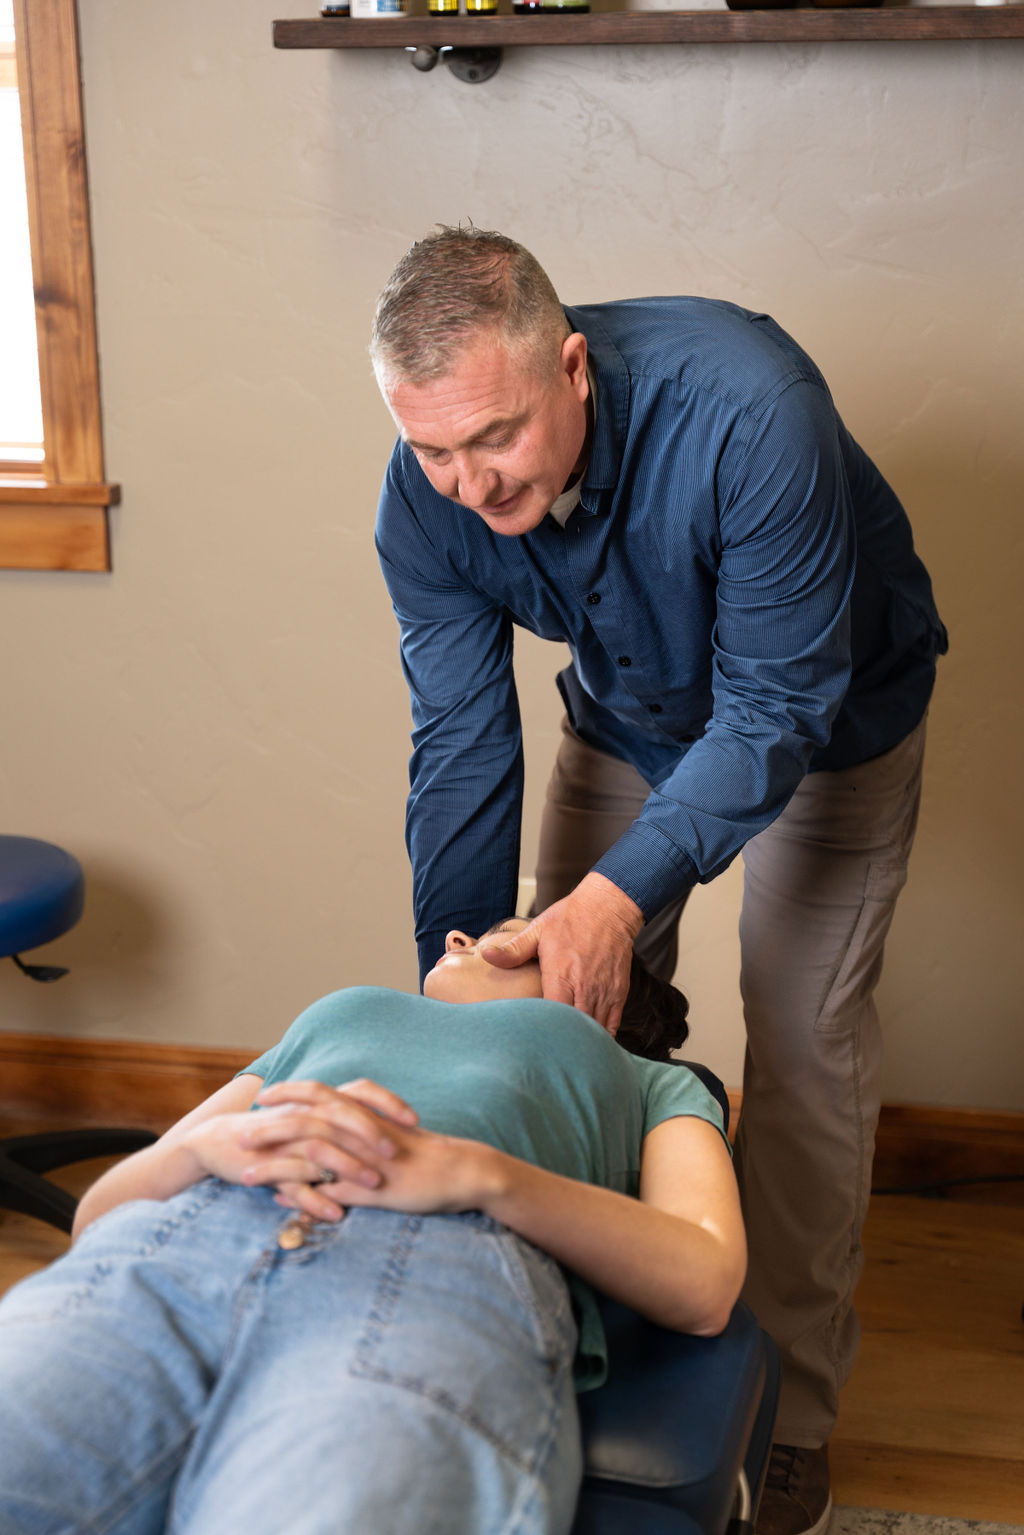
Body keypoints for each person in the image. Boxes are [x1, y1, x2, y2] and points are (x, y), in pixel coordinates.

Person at [370, 225, 948, 1535]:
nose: (465, 481)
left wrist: (613, 900)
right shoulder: (431, 491)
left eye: (496, 439)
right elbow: (460, 739)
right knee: (546, 1012)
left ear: (572, 367)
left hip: (831, 722)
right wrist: (453, 962)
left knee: (802, 1045)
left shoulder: (750, 411)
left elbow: (772, 710)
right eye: (432, 448)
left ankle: (791, 1418)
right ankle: (605, 1328)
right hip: (634, 716)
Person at [0, 918, 744, 1535]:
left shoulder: (648, 1078)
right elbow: (96, 1219)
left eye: (513, 936)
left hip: (434, 1279)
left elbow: (705, 1280)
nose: (458, 935)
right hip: (172, 1251)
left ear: (597, 995)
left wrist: (478, 1174)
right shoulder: (339, 1012)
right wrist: (194, 1150)